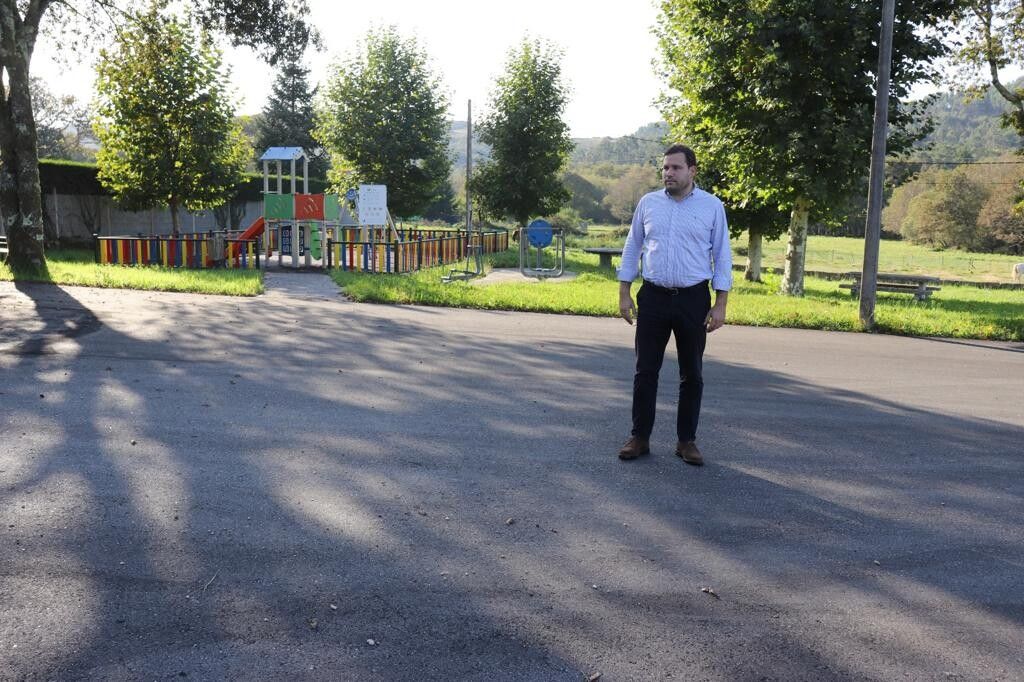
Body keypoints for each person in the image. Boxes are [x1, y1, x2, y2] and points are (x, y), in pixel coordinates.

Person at [616, 144, 732, 466]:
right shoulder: (648, 203)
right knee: (645, 371)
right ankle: (639, 437)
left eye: (676, 168)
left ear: (692, 170)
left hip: (693, 299)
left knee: (691, 373)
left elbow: (722, 256)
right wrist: (624, 293)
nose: (668, 173)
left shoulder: (711, 207)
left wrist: (720, 303)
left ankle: (686, 441)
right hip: (652, 296)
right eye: (665, 168)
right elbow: (632, 247)